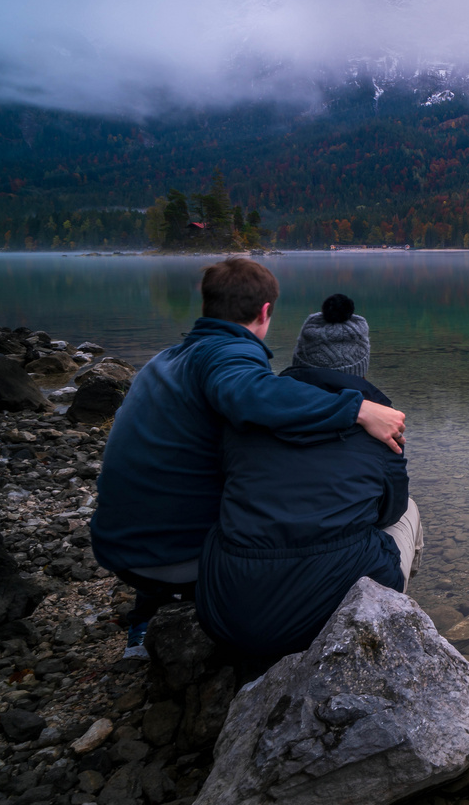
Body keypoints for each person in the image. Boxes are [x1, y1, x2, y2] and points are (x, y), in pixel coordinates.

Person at [90, 260, 407, 658]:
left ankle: (146, 618)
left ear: (207, 304)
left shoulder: (169, 359)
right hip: (178, 557)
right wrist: (357, 409)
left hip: (122, 547)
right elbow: (250, 393)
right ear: (264, 312)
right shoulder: (228, 354)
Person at [195, 293, 424, 658]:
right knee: (407, 511)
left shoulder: (246, 415)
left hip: (227, 614)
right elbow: (388, 513)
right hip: (323, 619)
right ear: (359, 365)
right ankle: (390, 626)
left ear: (300, 357)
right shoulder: (380, 429)